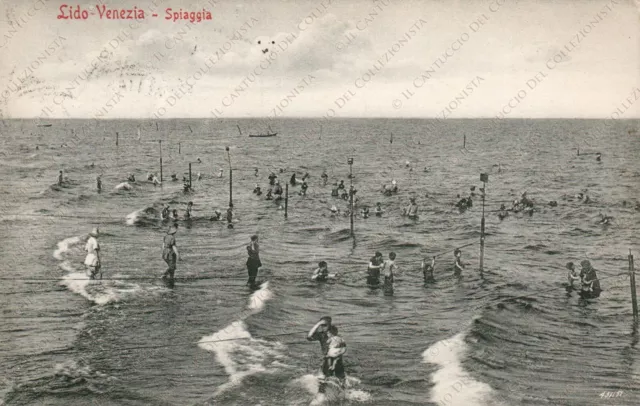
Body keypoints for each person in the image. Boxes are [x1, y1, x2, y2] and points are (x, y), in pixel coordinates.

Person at [307, 317, 346, 391]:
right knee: (324, 380)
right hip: (327, 360)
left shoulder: (335, 335)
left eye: (324, 325)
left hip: (336, 359)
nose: (322, 327)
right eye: (321, 325)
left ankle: (343, 393)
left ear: (329, 325)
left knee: (341, 380)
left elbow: (341, 348)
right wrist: (318, 324)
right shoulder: (321, 335)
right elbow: (309, 337)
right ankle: (323, 395)